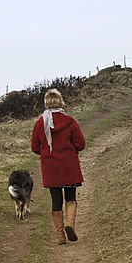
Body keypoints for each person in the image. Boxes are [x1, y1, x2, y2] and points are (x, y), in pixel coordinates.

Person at [31, 88, 86, 245]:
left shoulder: (40, 123)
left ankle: (60, 236)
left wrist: (46, 152)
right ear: (60, 101)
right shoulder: (70, 121)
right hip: (69, 166)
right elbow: (80, 144)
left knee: (56, 201)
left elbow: (34, 147)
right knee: (70, 197)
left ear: (46, 103)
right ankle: (70, 224)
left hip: (51, 168)